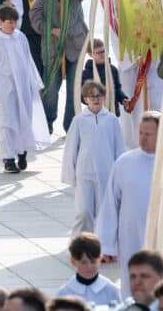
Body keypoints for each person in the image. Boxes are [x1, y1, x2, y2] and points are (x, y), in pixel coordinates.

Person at [96, 111, 163, 297]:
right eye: (140, 132)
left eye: (148, 134)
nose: (142, 138)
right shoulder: (124, 163)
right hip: (130, 237)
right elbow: (110, 204)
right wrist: (106, 244)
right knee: (133, 285)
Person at [0, 5, 50, 172]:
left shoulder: (21, 37)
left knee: (24, 119)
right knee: (7, 123)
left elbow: (28, 61)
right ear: (0, 22)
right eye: (9, 22)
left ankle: (22, 152)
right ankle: (8, 159)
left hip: (23, 86)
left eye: (14, 22)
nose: (12, 26)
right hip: (5, 89)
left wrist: (35, 83)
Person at [29, 0, 91, 133]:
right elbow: (34, 16)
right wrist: (50, 30)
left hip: (75, 46)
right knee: (50, 90)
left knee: (74, 90)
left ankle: (70, 126)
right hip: (53, 49)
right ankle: (47, 120)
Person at [62, 81, 126, 234]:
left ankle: (102, 245)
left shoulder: (112, 120)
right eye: (91, 97)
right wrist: (70, 175)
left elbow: (119, 149)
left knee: (105, 213)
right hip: (84, 173)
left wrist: (121, 176)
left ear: (104, 97)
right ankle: (79, 243)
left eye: (98, 96)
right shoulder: (79, 120)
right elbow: (71, 149)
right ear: (85, 99)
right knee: (83, 212)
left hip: (106, 173)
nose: (95, 99)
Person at [56, 233, 121, 305]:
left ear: (99, 260)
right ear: (73, 262)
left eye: (93, 262)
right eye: (83, 262)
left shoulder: (111, 290)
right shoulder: (64, 293)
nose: (89, 266)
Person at [81, 39, 128, 116]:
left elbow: (117, 89)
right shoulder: (86, 74)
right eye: (98, 52)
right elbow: (82, 97)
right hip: (95, 114)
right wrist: (95, 100)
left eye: (103, 51)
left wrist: (123, 99)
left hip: (113, 112)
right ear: (90, 54)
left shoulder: (112, 69)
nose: (102, 54)